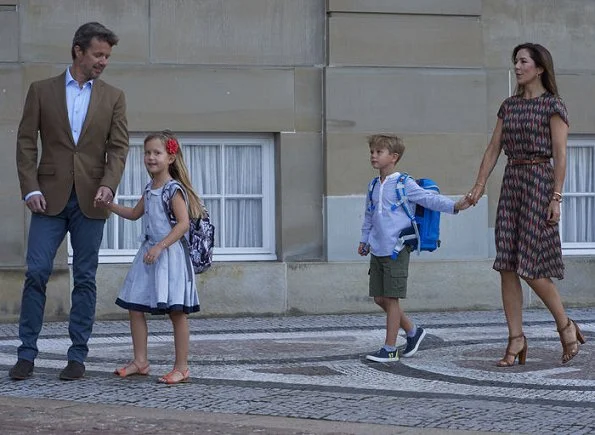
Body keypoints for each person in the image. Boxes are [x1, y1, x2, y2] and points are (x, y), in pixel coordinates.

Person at [11, 22, 128, 381]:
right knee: (37, 273)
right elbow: (27, 141)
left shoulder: (114, 96)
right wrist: (30, 188)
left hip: (92, 200)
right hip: (48, 199)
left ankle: (77, 356)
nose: (103, 61)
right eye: (98, 54)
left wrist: (110, 185)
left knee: (86, 279)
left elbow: (119, 148)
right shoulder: (41, 91)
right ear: (78, 50)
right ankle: (26, 354)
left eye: (107, 56)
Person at [467, 43, 586, 366]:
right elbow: (493, 149)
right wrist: (478, 186)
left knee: (529, 266)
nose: (517, 67)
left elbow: (561, 155)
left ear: (539, 68)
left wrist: (556, 197)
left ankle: (565, 325)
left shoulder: (553, 106)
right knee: (506, 264)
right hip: (512, 182)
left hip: (539, 182)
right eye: (515, 61)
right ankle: (516, 337)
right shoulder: (509, 106)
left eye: (523, 62)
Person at [99, 131, 201, 385]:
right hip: (150, 255)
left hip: (170, 257)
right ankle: (140, 361)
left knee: (177, 312)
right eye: (147, 153)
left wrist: (161, 247)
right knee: (135, 307)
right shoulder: (150, 187)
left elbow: (183, 224)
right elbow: (135, 213)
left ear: (170, 157)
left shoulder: (172, 189)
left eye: (157, 153)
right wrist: (109, 205)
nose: (150, 157)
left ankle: (182, 367)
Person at [359, 134, 471, 362]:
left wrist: (454, 205)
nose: (373, 155)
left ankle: (390, 349)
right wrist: (364, 240)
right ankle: (413, 331)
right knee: (380, 298)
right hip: (378, 249)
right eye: (372, 151)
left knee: (391, 299)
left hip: (396, 249)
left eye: (378, 152)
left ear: (393, 157)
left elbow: (429, 199)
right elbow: (369, 215)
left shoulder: (403, 183)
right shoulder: (373, 185)